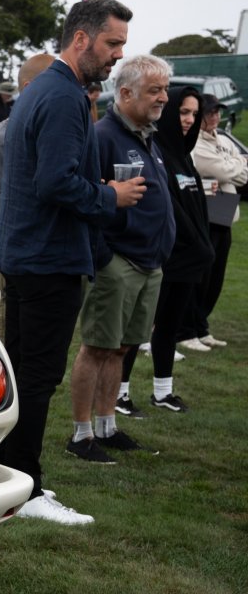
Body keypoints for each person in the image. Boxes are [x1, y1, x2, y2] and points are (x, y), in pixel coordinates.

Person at [0, 0, 143, 525]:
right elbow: (54, 182)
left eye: (121, 44)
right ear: (81, 39)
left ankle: (3, 476)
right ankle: (25, 491)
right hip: (46, 258)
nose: (117, 55)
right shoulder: (61, 96)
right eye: (112, 44)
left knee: (20, 374)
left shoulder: (46, 90)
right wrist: (111, 197)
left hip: (30, 253)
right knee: (35, 377)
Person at [66, 55, 177, 462]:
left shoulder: (148, 135)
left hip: (150, 264)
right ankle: (80, 436)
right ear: (125, 92)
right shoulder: (102, 136)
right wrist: (104, 256)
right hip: (117, 262)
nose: (163, 98)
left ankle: (107, 425)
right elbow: (82, 197)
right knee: (96, 346)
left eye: (164, 90)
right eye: (155, 90)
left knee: (122, 348)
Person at [114, 84, 213, 419]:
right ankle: (121, 394)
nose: (189, 120)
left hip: (189, 262)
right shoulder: (157, 152)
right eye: (184, 112)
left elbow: (196, 209)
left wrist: (203, 247)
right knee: (136, 331)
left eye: (194, 114)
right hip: (161, 257)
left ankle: (162, 391)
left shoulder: (186, 157)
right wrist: (198, 244)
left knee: (170, 327)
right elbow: (168, 208)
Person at [0, 53, 56, 340]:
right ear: (31, 87)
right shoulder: (0, 141)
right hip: (0, 262)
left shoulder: (42, 137)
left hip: (34, 262)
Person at [187, 92, 247, 348]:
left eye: (217, 112)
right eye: (210, 112)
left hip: (225, 209)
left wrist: (230, 167)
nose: (215, 116)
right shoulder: (195, 142)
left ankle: (202, 326)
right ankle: (186, 330)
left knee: (217, 275)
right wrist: (232, 166)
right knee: (200, 274)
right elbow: (221, 169)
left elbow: (243, 175)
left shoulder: (223, 139)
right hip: (205, 213)